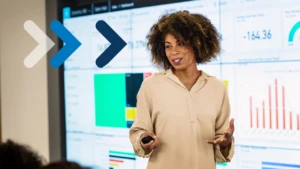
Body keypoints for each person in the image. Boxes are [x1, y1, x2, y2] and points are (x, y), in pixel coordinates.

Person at [129, 10, 235, 169]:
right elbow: (138, 132)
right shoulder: (151, 86)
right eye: (168, 46)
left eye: (180, 43)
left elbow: (221, 146)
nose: (174, 52)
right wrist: (144, 138)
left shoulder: (217, 88)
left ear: (197, 44)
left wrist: (226, 142)